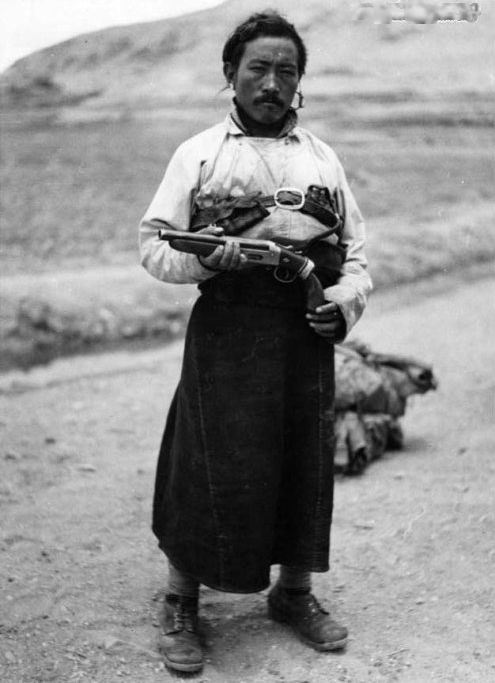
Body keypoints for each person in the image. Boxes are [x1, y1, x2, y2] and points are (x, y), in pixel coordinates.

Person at [139, 11, 372, 674]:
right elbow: (154, 245)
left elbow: (355, 254)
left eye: (286, 71)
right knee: (206, 460)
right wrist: (206, 260)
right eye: (258, 69)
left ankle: (292, 593)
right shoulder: (198, 153)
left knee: (303, 457)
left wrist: (340, 307)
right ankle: (182, 601)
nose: (272, 83)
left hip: (304, 328)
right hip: (227, 328)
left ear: (299, 82)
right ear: (231, 74)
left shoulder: (322, 158)